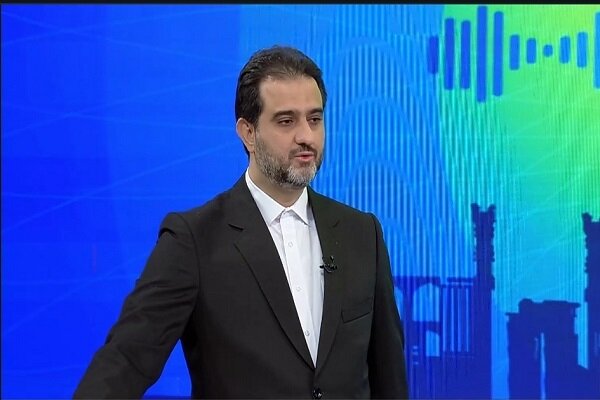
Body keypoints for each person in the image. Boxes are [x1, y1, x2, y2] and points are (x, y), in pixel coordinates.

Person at [74, 45, 408, 399]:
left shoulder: (362, 233)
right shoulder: (194, 240)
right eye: (286, 121)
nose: (306, 137)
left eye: (315, 119)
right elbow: (127, 359)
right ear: (248, 133)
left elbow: (389, 378)